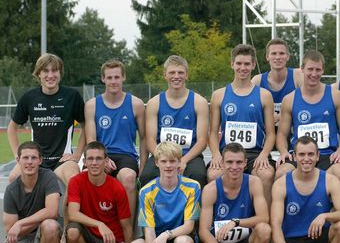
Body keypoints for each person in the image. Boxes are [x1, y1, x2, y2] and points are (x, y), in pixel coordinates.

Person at [7, 53, 85, 243]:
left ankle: (66, 238)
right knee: (14, 178)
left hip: (61, 160)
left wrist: (77, 154)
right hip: (37, 160)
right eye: (46, 71)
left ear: (60, 73)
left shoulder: (71, 96)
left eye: (54, 71)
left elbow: (86, 126)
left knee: (75, 179)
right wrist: (18, 154)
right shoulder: (30, 98)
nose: (50, 75)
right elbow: (12, 127)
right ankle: (23, 236)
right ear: (38, 74)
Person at [123, 141, 201, 243]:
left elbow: (189, 226)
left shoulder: (193, 187)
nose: (168, 166)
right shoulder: (147, 191)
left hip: (179, 236)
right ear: (157, 163)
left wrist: (166, 235)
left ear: (179, 162)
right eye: (164, 161)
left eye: (173, 161)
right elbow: (149, 230)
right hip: (156, 240)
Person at [194, 143, 271, 243]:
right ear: (222, 163)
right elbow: (203, 230)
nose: (234, 167)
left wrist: (236, 222)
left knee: (264, 229)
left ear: (244, 163)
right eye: (229, 162)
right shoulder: (211, 189)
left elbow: (264, 218)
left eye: (238, 162)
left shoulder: (253, 182)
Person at [207, 44, 275, 206]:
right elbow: (212, 132)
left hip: (254, 153)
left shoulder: (264, 95)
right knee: (213, 175)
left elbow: (271, 133)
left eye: (246, 64)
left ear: (253, 65)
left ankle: (265, 223)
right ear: (232, 64)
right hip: (227, 153)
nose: (242, 68)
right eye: (239, 63)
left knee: (266, 174)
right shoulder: (219, 95)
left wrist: (264, 154)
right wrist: (216, 154)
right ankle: (217, 222)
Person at [275, 50, 340, 197]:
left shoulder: (336, 96)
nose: (314, 74)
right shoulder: (289, 99)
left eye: (318, 70)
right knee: (281, 173)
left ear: (323, 70)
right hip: (300, 155)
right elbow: (282, 134)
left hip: (327, 154)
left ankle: (339, 215)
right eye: (310, 69)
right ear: (302, 69)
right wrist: (284, 151)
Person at [66, 141, 133, 243]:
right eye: (90, 159)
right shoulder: (76, 181)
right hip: (88, 235)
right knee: (72, 232)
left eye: (98, 158)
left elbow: (127, 226)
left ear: (106, 161)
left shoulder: (116, 187)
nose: (94, 163)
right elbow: (73, 213)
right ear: (85, 161)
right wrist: (99, 224)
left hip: (111, 239)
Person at [85, 60, 146, 221]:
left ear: (123, 78)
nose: (113, 81)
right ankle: (93, 229)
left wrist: (143, 165)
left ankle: (128, 232)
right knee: (86, 177)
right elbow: (91, 140)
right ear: (103, 79)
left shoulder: (136, 104)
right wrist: (103, 158)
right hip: (99, 154)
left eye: (117, 77)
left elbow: (144, 138)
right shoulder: (92, 105)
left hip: (126, 156)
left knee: (128, 178)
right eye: (110, 78)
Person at [0, 142, 61, 243]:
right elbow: (10, 230)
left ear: (40, 160)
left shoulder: (48, 177)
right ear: (18, 160)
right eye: (25, 157)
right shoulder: (11, 190)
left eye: (34, 158)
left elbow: (52, 211)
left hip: (43, 238)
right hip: (21, 240)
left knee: (50, 225)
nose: (29, 162)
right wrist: (20, 227)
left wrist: (21, 223)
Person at [140, 55, 209, 188]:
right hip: (161, 155)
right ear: (165, 75)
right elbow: (150, 140)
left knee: (198, 175)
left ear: (187, 75)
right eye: (172, 72)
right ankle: (151, 208)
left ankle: (195, 208)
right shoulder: (154, 103)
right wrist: (164, 161)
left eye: (180, 72)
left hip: (189, 155)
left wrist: (183, 160)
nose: (176, 76)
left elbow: (202, 141)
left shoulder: (199, 102)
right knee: (147, 175)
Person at [251, 38, 302, 125]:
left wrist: (282, 115)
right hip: (266, 132)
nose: (278, 57)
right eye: (274, 53)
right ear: (267, 57)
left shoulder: (298, 77)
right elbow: (249, 108)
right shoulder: (257, 81)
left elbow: (308, 104)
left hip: (292, 132)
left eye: (282, 53)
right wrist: (268, 116)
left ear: (288, 56)